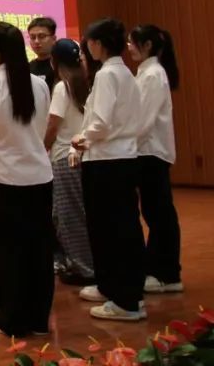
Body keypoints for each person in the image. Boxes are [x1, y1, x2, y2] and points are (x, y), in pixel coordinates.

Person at [0, 23, 54, 337]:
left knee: (8, 250)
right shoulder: (39, 85)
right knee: (38, 250)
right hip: (39, 177)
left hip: (3, 179)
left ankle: (12, 319)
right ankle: (38, 319)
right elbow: (41, 129)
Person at [70, 18, 146, 321]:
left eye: (89, 41)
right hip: (120, 158)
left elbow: (100, 123)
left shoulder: (106, 75)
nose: (87, 47)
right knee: (120, 227)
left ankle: (125, 299)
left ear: (98, 44)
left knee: (112, 229)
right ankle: (115, 287)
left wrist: (81, 140)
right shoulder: (124, 72)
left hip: (106, 161)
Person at [129, 24, 183, 294]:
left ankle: (168, 273)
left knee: (159, 213)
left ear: (147, 45)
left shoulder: (152, 74)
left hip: (151, 151)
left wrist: (126, 145)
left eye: (132, 42)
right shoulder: (146, 72)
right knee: (155, 211)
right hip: (146, 151)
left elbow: (144, 121)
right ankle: (158, 268)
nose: (129, 47)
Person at [44, 39, 96, 286]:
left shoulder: (62, 87)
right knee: (80, 211)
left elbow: (53, 125)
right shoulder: (85, 83)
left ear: (54, 61)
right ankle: (85, 263)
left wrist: (41, 147)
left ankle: (83, 267)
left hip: (64, 156)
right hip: (82, 154)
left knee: (68, 215)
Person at [27, 17, 59, 91]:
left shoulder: (60, 66)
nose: (36, 41)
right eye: (32, 37)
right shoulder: (28, 67)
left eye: (41, 36)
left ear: (54, 39)